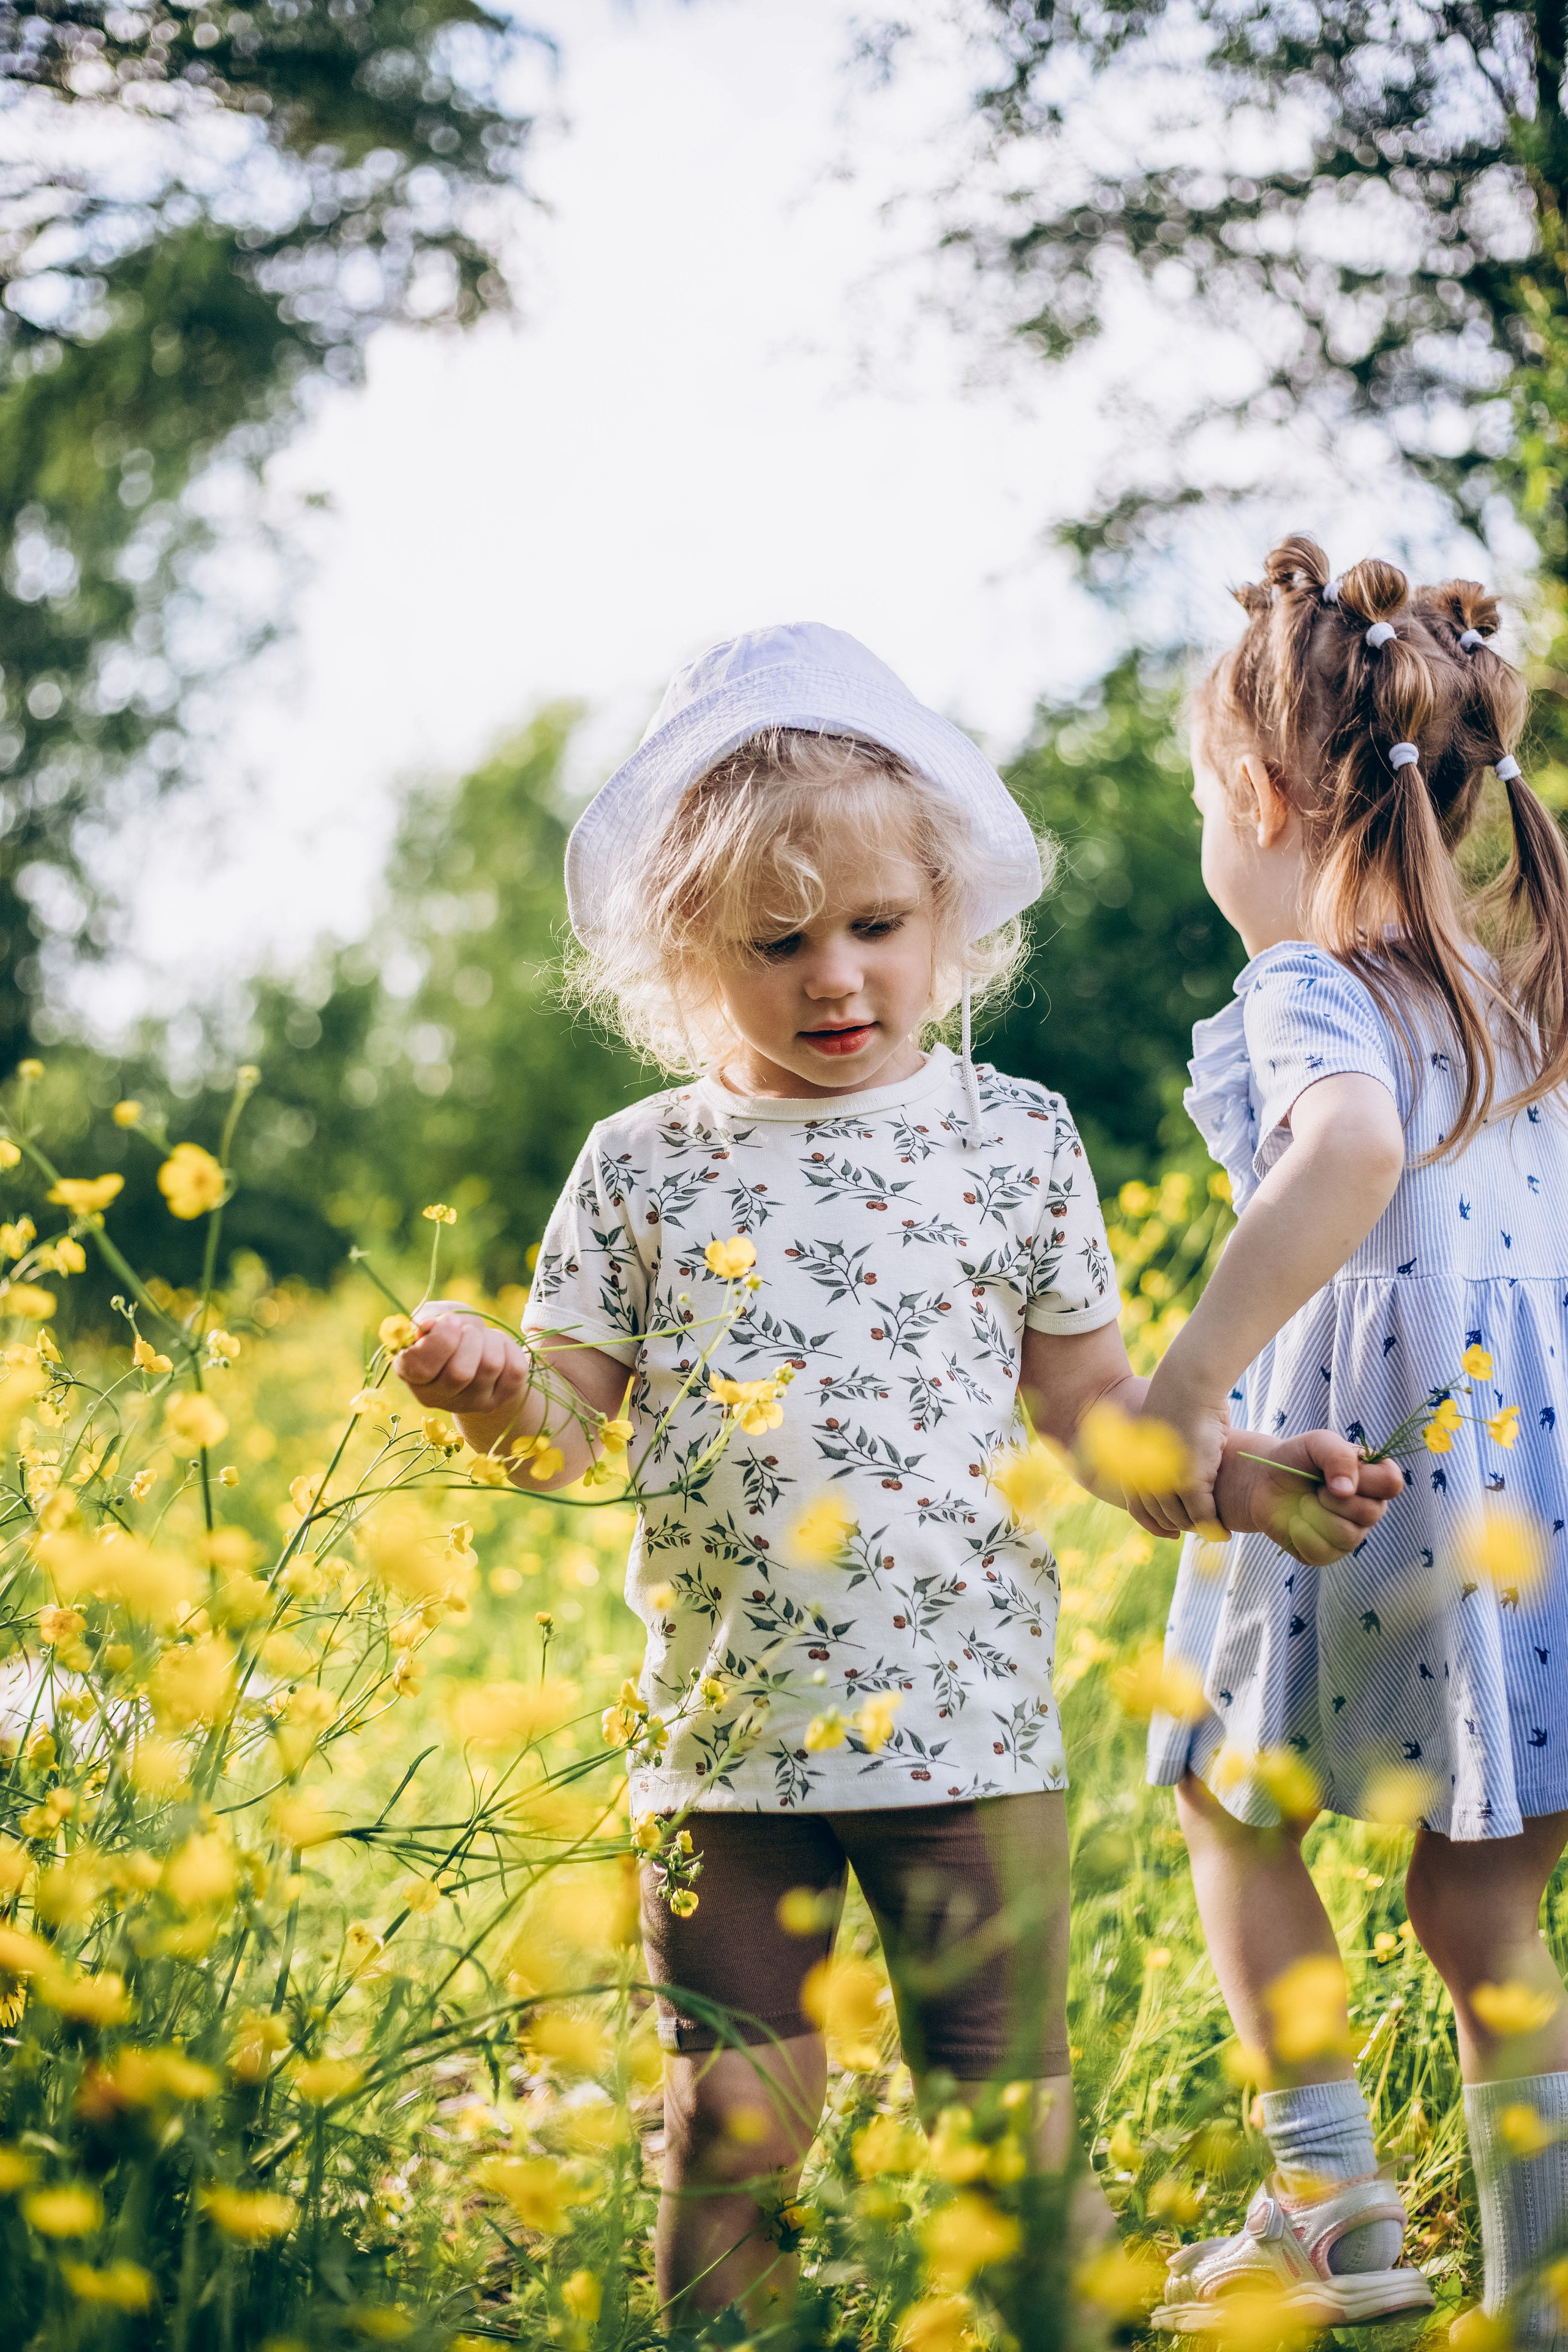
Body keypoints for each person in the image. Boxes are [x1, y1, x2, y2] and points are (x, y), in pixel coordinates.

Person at [390, 622, 1396, 2323]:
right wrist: (492, 1386)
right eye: (778, 943)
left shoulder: (1016, 1139)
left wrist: (1230, 1480)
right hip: (724, 1749)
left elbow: (1094, 1411)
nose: (835, 978)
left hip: (970, 1735)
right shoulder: (638, 1166)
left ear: (949, 919)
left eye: (876, 928)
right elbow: (566, 1427)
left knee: (1014, 2152)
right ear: (687, 953)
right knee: (729, 2132)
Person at [1139, 537, 1568, 2338]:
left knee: (1229, 1802)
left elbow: (1353, 1159)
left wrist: (1192, 1380)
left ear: (1258, 795)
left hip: (1363, 1463)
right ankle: (1541, 2298)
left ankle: (1333, 2218)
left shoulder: (1314, 985)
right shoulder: (1516, 993)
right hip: (1527, 1489)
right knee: (1486, 1924)